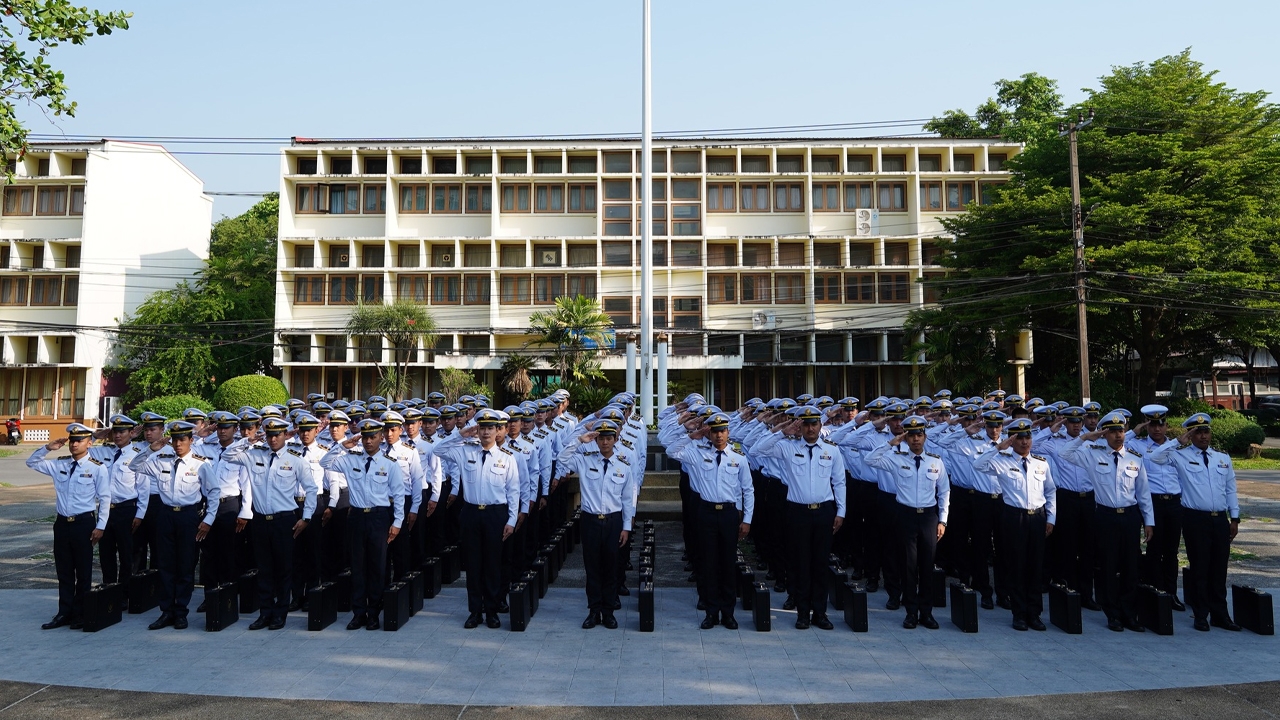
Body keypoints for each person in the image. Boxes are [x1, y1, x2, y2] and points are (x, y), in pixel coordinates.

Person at [751, 406, 845, 630]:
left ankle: (820, 613)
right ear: (799, 426)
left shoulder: (831, 451)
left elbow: (839, 482)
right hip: (797, 512)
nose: (810, 428)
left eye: (814, 424)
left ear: (821, 426)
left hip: (824, 511)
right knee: (800, 563)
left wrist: (841, 512)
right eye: (805, 424)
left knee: (820, 564)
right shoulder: (787, 447)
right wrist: (783, 429)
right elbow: (756, 449)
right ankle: (803, 613)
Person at [1060, 411, 1154, 632]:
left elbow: (1144, 493)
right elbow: (1064, 453)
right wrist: (1085, 437)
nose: (1118, 435)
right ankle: (1112, 613)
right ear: (1104, 434)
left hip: (1130, 516)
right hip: (1105, 516)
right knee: (1108, 566)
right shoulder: (1093, 454)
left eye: (1120, 430)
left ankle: (1130, 614)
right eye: (1112, 431)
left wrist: (1149, 521)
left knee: (1131, 567)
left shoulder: (1134, 458)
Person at [1148, 413, 1242, 632]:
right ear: (1190, 435)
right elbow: (1155, 458)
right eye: (1197, 432)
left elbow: (1230, 489)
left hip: (1219, 519)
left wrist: (1235, 517)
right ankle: (1201, 614)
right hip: (1194, 519)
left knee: (1219, 569)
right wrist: (1176, 441)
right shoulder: (1180, 455)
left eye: (1205, 431)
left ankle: (1220, 614)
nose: (1202, 436)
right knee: (1200, 567)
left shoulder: (1222, 458)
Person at [223, 417, 316, 630]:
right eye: (269, 434)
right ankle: (265, 613)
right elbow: (227, 455)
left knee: (283, 569)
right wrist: (248, 440)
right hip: (260, 521)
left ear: (285, 435)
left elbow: (310, 489)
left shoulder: (295, 460)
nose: (273, 439)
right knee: (264, 569)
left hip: (284, 520)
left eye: (277, 434)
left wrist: (307, 517)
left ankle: (280, 613)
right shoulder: (254, 454)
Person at [435, 408, 522, 629]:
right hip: (471, 513)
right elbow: (438, 450)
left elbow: (513, 491)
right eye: (482, 428)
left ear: (497, 431)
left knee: (493, 564)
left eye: (490, 428)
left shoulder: (507, 458)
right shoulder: (465, 451)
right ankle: (475, 611)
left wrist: (511, 520)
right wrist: (461, 434)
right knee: (473, 565)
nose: (485, 433)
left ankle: (491, 611)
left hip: (496, 514)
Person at [665, 412, 753, 630]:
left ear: (728, 432)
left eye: (722, 431)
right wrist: (693, 435)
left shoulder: (738, 458)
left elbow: (748, 490)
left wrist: (747, 519)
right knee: (709, 564)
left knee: (728, 564)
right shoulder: (697, 453)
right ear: (709, 433)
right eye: (714, 431)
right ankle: (712, 612)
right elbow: (671, 450)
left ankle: (728, 613)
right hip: (706, 512)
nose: (719, 435)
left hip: (729, 514)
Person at [129, 421, 219, 630]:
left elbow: (214, 491)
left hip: (188, 517)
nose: (178, 444)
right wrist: (152, 448)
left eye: (182, 440)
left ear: (191, 441)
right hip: (166, 515)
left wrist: (208, 520)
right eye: (175, 440)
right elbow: (135, 466)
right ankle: (166, 611)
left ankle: (181, 612)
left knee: (185, 565)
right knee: (165, 565)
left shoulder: (200, 463)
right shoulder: (162, 460)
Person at [865, 416, 950, 630]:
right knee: (908, 566)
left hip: (929, 517)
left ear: (925, 436)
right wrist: (891, 443)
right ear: (906, 437)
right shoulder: (897, 458)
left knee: (927, 566)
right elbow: (870, 460)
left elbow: (945, 491)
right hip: (905, 515)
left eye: (919, 435)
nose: (915, 440)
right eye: (911, 435)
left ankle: (927, 613)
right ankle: (911, 612)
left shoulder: (935, 461)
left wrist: (943, 520)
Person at [320, 418, 405, 630]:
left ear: (381, 437)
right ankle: (359, 613)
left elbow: (399, 495)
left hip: (379, 517)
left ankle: (374, 613)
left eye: (373, 437)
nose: (368, 441)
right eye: (365, 437)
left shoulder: (389, 464)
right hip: (357, 517)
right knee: (357, 567)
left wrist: (397, 522)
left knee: (377, 567)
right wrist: (342, 446)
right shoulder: (351, 459)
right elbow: (324, 463)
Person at [973, 418, 1056, 631]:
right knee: (1017, 566)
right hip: (1013, 517)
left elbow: (1050, 491)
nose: (1024, 442)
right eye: (1019, 438)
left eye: (1027, 437)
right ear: (1012, 439)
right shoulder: (1002, 461)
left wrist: (1051, 518)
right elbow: (978, 465)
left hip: (1037, 517)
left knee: (1035, 567)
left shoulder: (1041, 463)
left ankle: (1034, 613)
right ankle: (1019, 613)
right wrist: (999, 448)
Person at [556, 419, 639, 629]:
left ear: (615, 439)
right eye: (601, 438)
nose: (604, 442)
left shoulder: (624, 465)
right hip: (590, 520)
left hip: (614, 521)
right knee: (592, 568)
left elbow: (628, 500)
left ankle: (608, 612)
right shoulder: (585, 459)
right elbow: (562, 458)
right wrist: (579, 440)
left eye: (608, 438)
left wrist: (626, 528)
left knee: (611, 568)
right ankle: (594, 611)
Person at [27, 423, 111, 629]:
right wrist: (48, 447)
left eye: (79, 440)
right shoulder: (60, 464)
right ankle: (63, 612)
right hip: (63, 523)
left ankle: (80, 613)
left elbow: (105, 498)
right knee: (64, 571)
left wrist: (100, 526)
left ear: (89, 443)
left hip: (84, 523)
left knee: (83, 571)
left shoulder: (97, 468)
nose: (74, 444)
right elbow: (32, 462)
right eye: (72, 440)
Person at [193, 412, 253, 612]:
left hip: (229, 505)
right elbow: (187, 446)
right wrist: (202, 432)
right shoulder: (206, 449)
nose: (222, 431)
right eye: (219, 427)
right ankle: (209, 595)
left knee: (229, 553)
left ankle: (227, 594)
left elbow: (247, 484)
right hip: (208, 505)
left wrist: (244, 512)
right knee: (208, 553)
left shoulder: (240, 453)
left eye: (226, 428)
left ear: (235, 430)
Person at [1128, 404, 1185, 610]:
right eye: (1152, 425)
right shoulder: (1138, 445)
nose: (1156, 429)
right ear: (1147, 426)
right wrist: (1135, 430)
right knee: (1154, 549)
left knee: (1171, 551)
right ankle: (1156, 590)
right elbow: (1115, 442)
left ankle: (1171, 593)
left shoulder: (1178, 446)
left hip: (1174, 503)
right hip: (1152, 503)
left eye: (1160, 425)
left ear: (1166, 426)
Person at [87, 414, 148, 592]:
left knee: (126, 553)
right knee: (106, 554)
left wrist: (140, 514)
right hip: (106, 510)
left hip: (127, 509)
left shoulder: (138, 455)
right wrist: (96, 436)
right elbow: (82, 449)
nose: (118, 435)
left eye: (122, 432)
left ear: (131, 433)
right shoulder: (104, 452)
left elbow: (143, 488)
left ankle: (124, 593)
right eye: (115, 432)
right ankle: (109, 590)